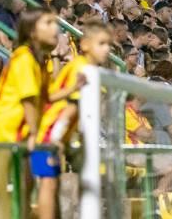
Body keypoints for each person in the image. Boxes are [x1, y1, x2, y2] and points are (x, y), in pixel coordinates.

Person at [0, 7, 58, 216]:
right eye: (49, 23)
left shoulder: (39, 60)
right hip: (6, 134)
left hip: (25, 135)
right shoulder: (24, 57)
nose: (56, 29)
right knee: (8, 190)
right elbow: (28, 100)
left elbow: (48, 97)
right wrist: (36, 135)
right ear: (32, 31)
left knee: (27, 187)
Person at [35, 21, 111, 219]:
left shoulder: (89, 69)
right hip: (47, 132)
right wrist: (57, 139)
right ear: (85, 44)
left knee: (54, 184)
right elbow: (70, 109)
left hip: (57, 134)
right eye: (101, 44)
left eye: (108, 44)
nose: (106, 49)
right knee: (48, 184)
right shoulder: (81, 69)